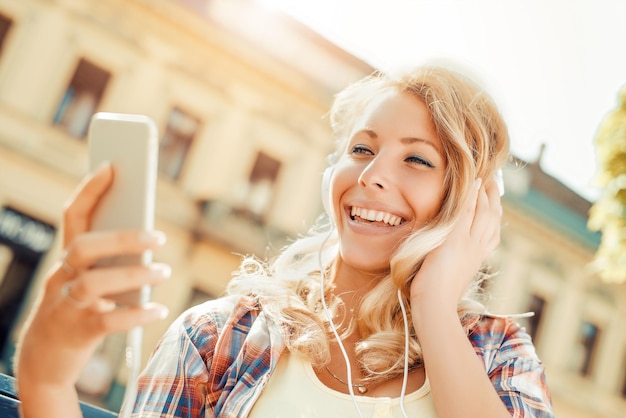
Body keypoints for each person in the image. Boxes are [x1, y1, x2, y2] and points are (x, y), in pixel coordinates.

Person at [15, 65, 553, 417]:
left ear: (467, 205)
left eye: (416, 159)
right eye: (362, 150)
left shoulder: (496, 355)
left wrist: (432, 304)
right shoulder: (219, 336)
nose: (370, 176)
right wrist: (45, 378)